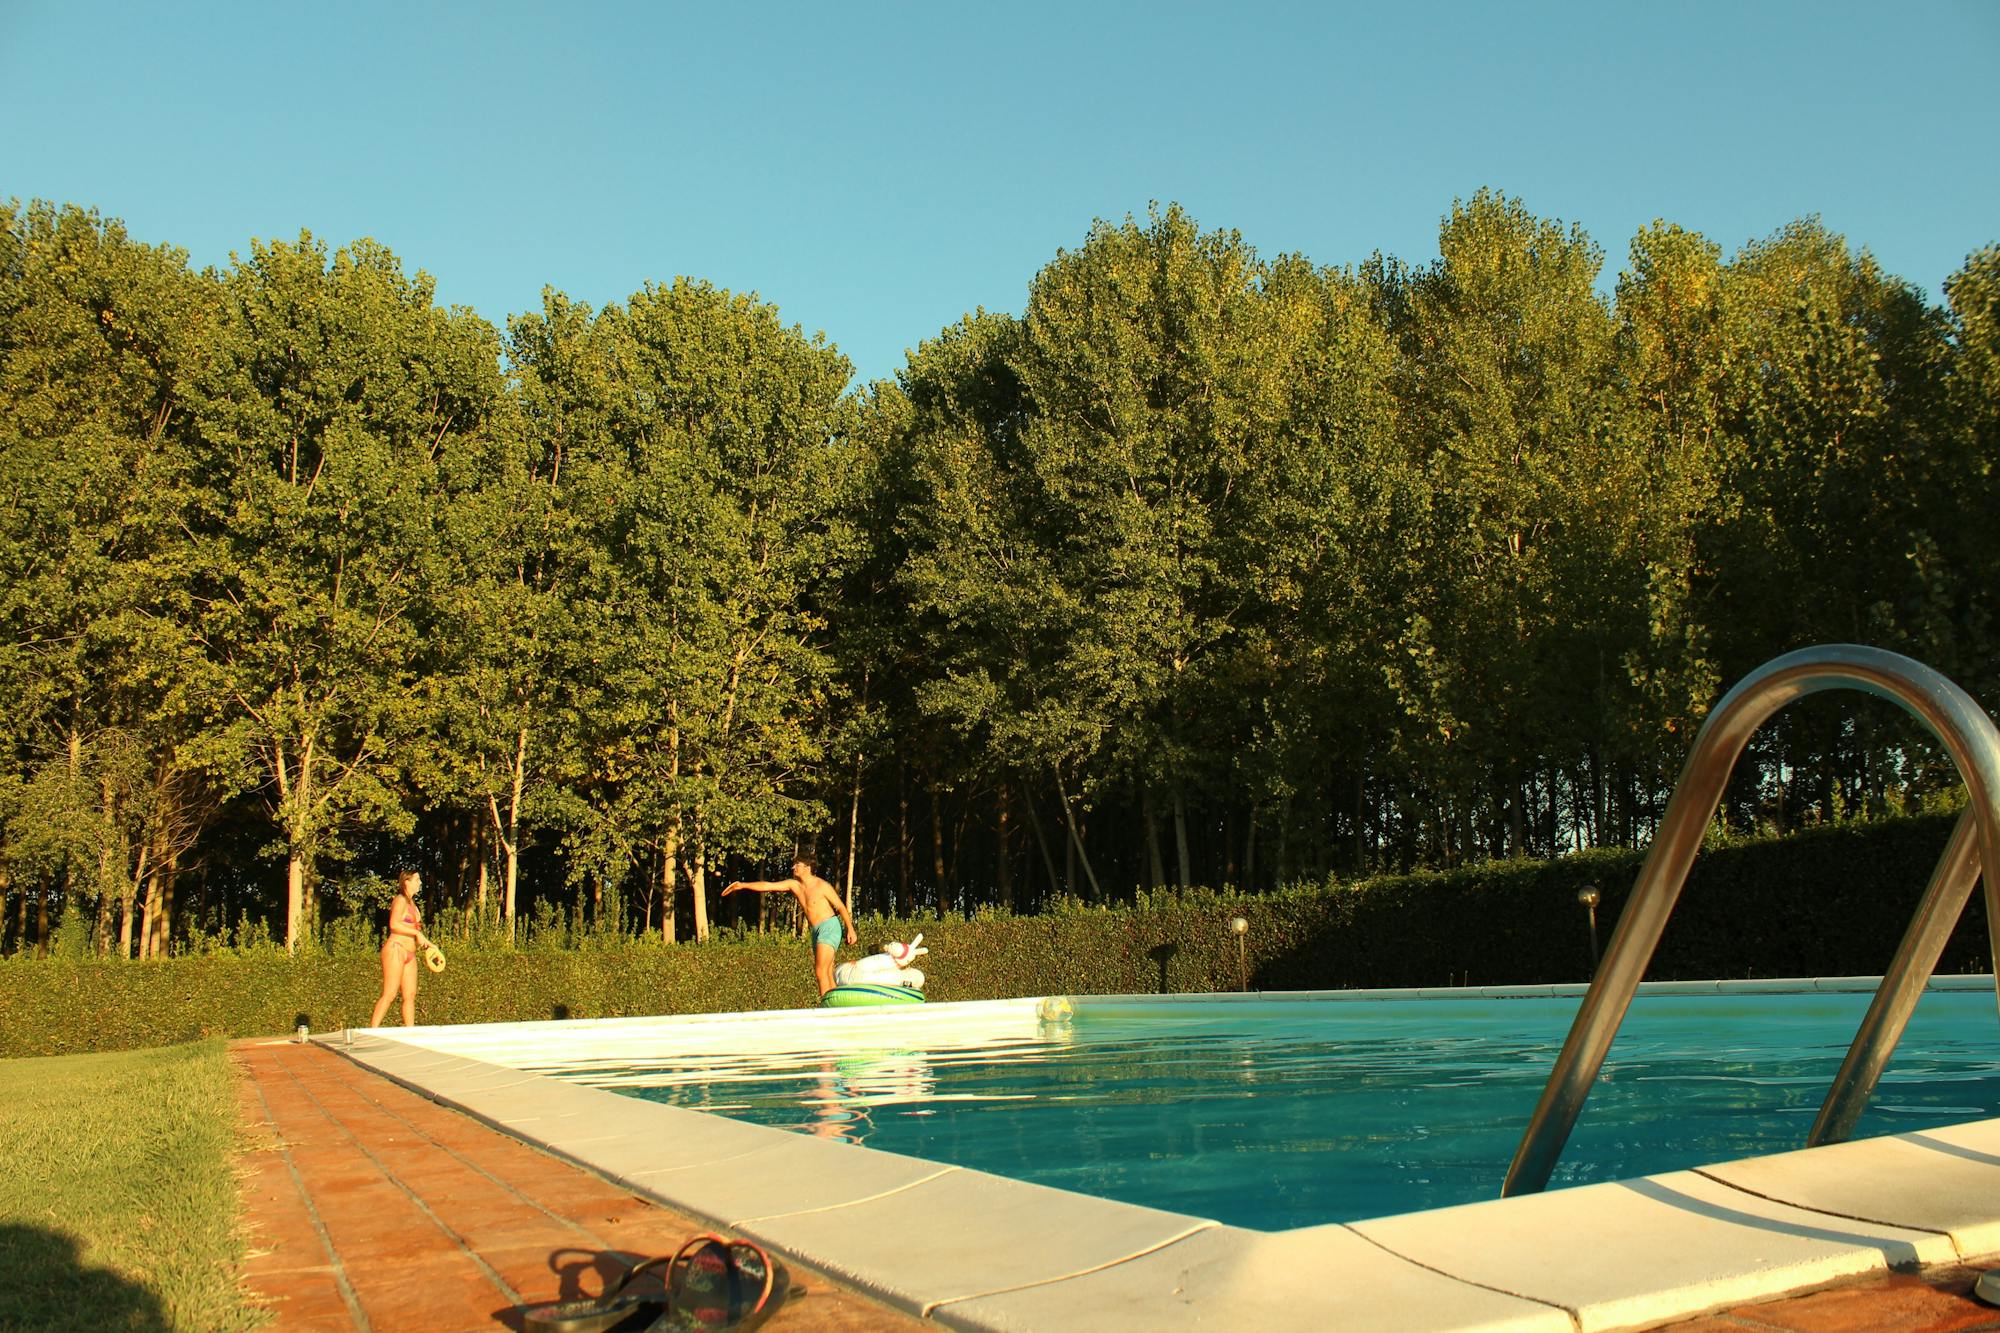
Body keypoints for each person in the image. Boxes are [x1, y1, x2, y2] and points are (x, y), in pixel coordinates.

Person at [722, 858, 855, 996]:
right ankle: (836, 1007)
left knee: (820, 971)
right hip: (816, 930)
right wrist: (742, 885)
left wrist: (850, 929)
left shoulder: (822, 885)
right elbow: (768, 886)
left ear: (808, 867)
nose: (793, 867)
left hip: (829, 926)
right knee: (826, 971)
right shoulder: (794, 885)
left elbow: (840, 906)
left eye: (797, 865)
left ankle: (825, 1007)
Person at [368, 869, 436, 1027]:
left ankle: (410, 1032)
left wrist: (428, 944)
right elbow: (394, 924)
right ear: (407, 881)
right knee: (390, 993)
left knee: (410, 994)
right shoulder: (400, 900)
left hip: (410, 953)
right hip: (396, 948)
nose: (420, 883)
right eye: (417, 879)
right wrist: (416, 933)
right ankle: (372, 1031)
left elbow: (415, 931)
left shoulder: (413, 903)